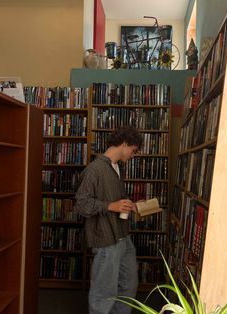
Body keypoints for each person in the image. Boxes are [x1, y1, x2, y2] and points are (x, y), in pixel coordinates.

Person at [74, 126, 143, 314]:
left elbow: (115, 198)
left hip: (122, 235)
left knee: (128, 285)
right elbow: (81, 204)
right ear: (124, 144)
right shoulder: (94, 169)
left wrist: (129, 204)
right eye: (133, 150)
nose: (133, 155)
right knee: (104, 293)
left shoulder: (117, 167)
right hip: (106, 239)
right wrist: (110, 206)